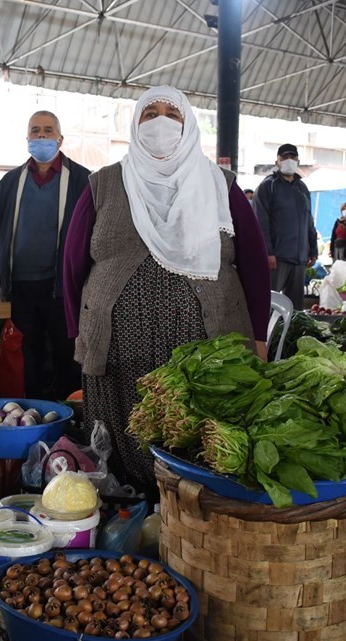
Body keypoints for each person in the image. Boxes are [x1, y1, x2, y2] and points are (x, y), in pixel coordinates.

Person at [63, 86, 271, 492]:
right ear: (135, 125)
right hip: (120, 352)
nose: (160, 122)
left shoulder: (219, 186)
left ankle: (188, 514)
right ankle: (134, 509)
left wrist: (259, 336)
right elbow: (71, 263)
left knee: (196, 435)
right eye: (149, 113)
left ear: (188, 124)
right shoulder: (104, 184)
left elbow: (253, 265)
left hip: (204, 351)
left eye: (171, 114)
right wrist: (78, 332)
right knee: (125, 437)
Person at [0, 110, 91, 401]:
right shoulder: (11, 182)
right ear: (27, 138)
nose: (42, 136)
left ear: (60, 138)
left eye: (48, 130)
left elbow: (94, 234)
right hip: (20, 289)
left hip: (63, 289)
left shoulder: (82, 180)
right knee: (26, 360)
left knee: (67, 358)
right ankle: (34, 419)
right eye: (36, 131)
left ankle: (70, 423)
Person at [253, 144, 318, 309]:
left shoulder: (303, 189)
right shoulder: (268, 187)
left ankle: (291, 335)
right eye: (284, 158)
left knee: (295, 308)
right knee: (268, 303)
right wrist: (268, 252)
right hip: (277, 258)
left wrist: (313, 250)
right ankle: (265, 335)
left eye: (293, 158)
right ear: (277, 161)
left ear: (298, 161)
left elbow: (308, 221)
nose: (289, 161)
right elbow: (261, 222)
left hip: (299, 259)